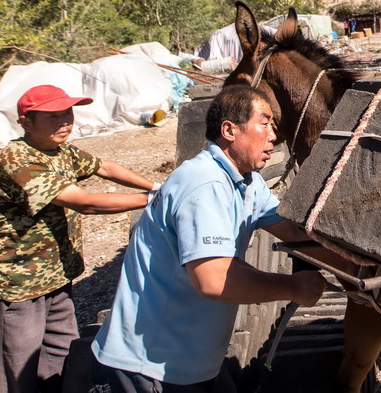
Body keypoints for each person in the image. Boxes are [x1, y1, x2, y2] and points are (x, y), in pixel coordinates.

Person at [90, 85, 329, 391]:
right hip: (148, 367)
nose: (273, 135)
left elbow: (294, 230)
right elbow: (214, 280)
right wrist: (293, 287)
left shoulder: (247, 181)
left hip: (192, 361)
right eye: (265, 123)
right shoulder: (204, 184)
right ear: (229, 130)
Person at [0, 85, 158, 393]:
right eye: (53, 116)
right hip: (12, 290)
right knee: (14, 377)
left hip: (55, 283)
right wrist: (151, 200)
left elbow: (103, 167)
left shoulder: (61, 151)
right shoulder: (19, 160)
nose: (64, 122)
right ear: (26, 122)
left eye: (67, 113)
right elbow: (84, 202)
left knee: (60, 365)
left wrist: (156, 185)